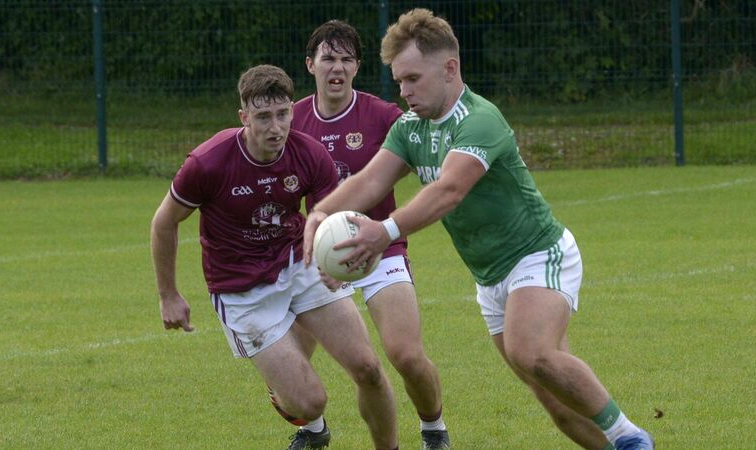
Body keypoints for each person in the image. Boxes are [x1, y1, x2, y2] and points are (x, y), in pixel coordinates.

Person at [302, 9, 655, 450]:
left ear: (449, 69)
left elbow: (448, 190)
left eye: (413, 79)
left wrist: (385, 231)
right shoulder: (410, 128)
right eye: (399, 81)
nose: (404, 91)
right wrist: (320, 213)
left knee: (530, 351)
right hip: (489, 277)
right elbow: (370, 181)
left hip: (537, 255)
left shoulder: (479, 119)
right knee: (557, 404)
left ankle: (629, 436)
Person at [150, 63, 399, 450]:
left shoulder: (308, 153)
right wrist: (168, 294)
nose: (275, 127)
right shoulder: (208, 162)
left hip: (298, 264)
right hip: (241, 289)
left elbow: (328, 217)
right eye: (263, 117)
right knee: (310, 402)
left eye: (283, 114)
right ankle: (303, 414)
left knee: (368, 369)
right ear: (244, 117)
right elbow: (164, 222)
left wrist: (336, 262)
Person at [270, 20, 449, 450]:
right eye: (328, 58)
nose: (337, 67)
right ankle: (313, 429)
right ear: (310, 64)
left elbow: (430, 151)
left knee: (406, 355)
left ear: (357, 67)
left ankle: (433, 429)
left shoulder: (384, 116)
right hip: (320, 257)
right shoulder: (292, 121)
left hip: (381, 249)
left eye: (346, 59)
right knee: (286, 366)